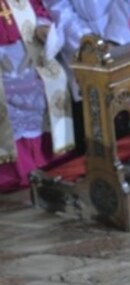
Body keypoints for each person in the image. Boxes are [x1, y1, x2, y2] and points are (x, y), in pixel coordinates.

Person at [0, 0, 74, 192]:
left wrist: (42, 26)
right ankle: (14, 172)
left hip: (27, 48)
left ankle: (48, 159)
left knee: (53, 79)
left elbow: (37, 7)